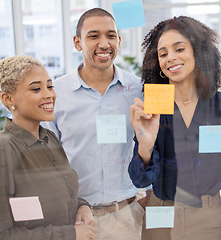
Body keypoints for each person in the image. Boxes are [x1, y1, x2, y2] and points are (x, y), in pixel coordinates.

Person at [128, 16, 221, 240]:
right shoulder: (153, 105)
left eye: (179, 49)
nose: (170, 57)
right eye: (163, 54)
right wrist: (145, 147)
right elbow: (139, 180)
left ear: (198, 52)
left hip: (208, 218)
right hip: (160, 214)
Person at [41, 8, 145, 240]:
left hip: (127, 217)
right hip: (76, 219)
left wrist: (149, 197)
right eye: (93, 36)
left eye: (110, 35)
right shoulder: (56, 93)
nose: (104, 43)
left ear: (119, 39)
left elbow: (155, 144)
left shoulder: (138, 90)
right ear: (77, 43)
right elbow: (46, 159)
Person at [0, 55, 97, 240]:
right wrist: (70, 234)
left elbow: (58, 194)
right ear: (8, 98)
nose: (49, 94)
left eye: (50, 86)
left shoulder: (49, 138)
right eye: (36, 89)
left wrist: (82, 206)